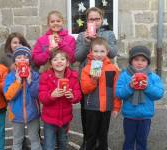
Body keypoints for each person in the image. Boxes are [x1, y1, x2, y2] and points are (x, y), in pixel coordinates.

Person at [75, 7, 118, 149]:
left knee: (103, 110)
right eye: (91, 19)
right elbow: (77, 57)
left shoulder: (109, 34)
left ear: (102, 19)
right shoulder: (82, 35)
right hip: (88, 76)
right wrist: (87, 42)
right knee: (87, 110)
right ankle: (87, 140)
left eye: (97, 19)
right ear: (87, 21)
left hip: (105, 77)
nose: (94, 21)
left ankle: (101, 141)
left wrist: (100, 41)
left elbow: (113, 53)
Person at [115, 46, 164, 150]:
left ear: (148, 62)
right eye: (136, 59)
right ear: (131, 61)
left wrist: (148, 87)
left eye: (143, 60)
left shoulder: (153, 77)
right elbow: (118, 93)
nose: (139, 63)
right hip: (129, 116)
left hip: (145, 116)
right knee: (129, 140)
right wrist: (130, 87)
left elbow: (159, 94)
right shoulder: (124, 75)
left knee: (142, 141)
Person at [80, 37, 121, 150]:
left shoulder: (113, 69)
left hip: (106, 108)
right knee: (91, 136)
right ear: (91, 52)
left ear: (107, 52)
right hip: (92, 107)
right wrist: (93, 80)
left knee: (103, 136)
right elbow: (85, 89)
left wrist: (116, 107)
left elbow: (116, 90)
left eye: (102, 51)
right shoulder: (87, 69)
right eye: (96, 51)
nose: (99, 54)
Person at [39, 51, 82, 150]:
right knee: (49, 145)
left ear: (67, 63)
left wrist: (72, 96)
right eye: (55, 59)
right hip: (49, 119)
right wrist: (51, 95)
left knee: (63, 143)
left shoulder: (73, 77)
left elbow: (78, 95)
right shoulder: (45, 77)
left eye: (62, 59)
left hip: (65, 119)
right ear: (51, 63)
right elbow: (42, 97)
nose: (59, 62)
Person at [3, 46, 42, 150]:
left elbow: (38, 94)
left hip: (33, 113)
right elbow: (8, 96)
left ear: (29, 60)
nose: (22, 60)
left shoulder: (35, 75)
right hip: (16, 115)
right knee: (17, 140)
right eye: (18, 57)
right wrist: (18, 82)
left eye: (25, 57)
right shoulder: (11, 76)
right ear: (14, 60)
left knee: (35, 139)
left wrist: (30, 81)